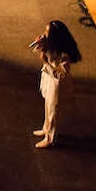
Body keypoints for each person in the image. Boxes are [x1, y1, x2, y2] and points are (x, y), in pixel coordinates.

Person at [31, 20, 82, 148]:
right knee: (47, 108)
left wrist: (46, 63)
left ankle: (50, 138)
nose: (45, 34)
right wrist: (40, 45)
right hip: (49, 84)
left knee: (54, 114)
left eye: (47, 32)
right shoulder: (52, 46)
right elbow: (44, 53)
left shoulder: (64, 55)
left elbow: (61, 75)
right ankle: (46, 128)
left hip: (57, 87)